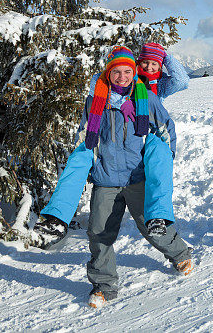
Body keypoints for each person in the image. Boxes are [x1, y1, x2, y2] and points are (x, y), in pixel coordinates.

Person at [33, 46, 193, 308]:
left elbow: (165, 131)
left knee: (151, 224)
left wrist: (165, 159)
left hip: (137, 176)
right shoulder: (95, 101)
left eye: (127, 71)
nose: (122, 77)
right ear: (108, 73)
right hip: (106, 178)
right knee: (99, 232)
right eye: (116, 71)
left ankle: (180, 254)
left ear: (134, 72)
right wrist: (85, 163)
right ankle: (104, 285)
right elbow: (85, 136)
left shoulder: (147, 99)